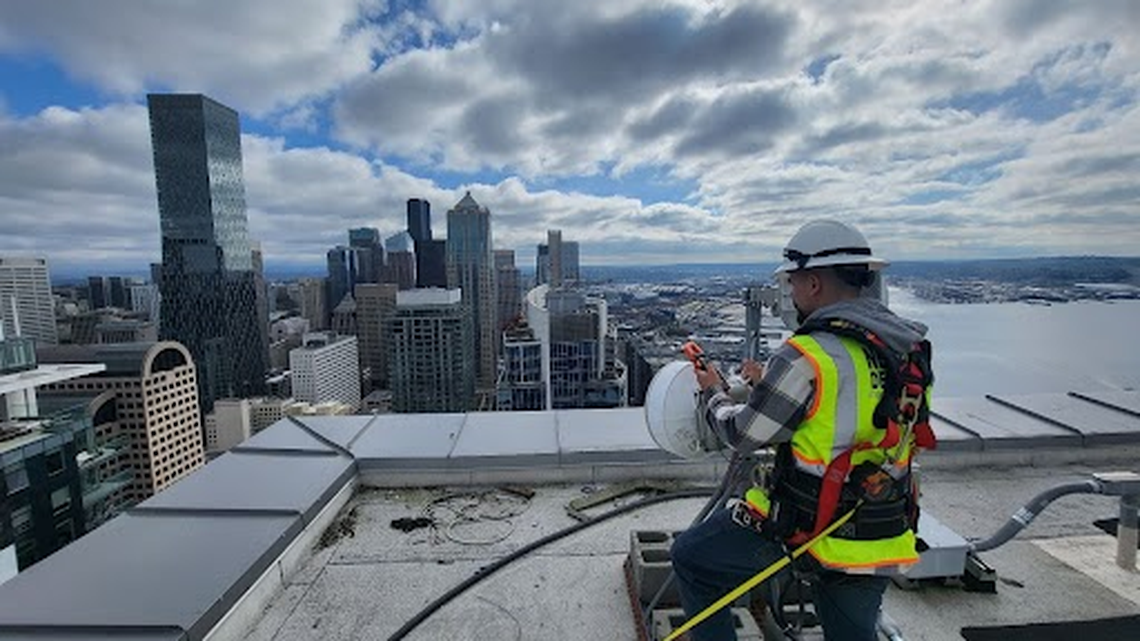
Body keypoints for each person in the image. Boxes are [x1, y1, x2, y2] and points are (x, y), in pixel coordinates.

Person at [670, 220, 932, 641]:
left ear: (813, 283)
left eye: (792, 283)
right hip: (881, 524)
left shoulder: (808, 354)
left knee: (692, 560)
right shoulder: (909, 348)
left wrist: (713, 394)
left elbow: (742, 434)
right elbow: (865, 420)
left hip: (807, 524)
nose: (790, 293)